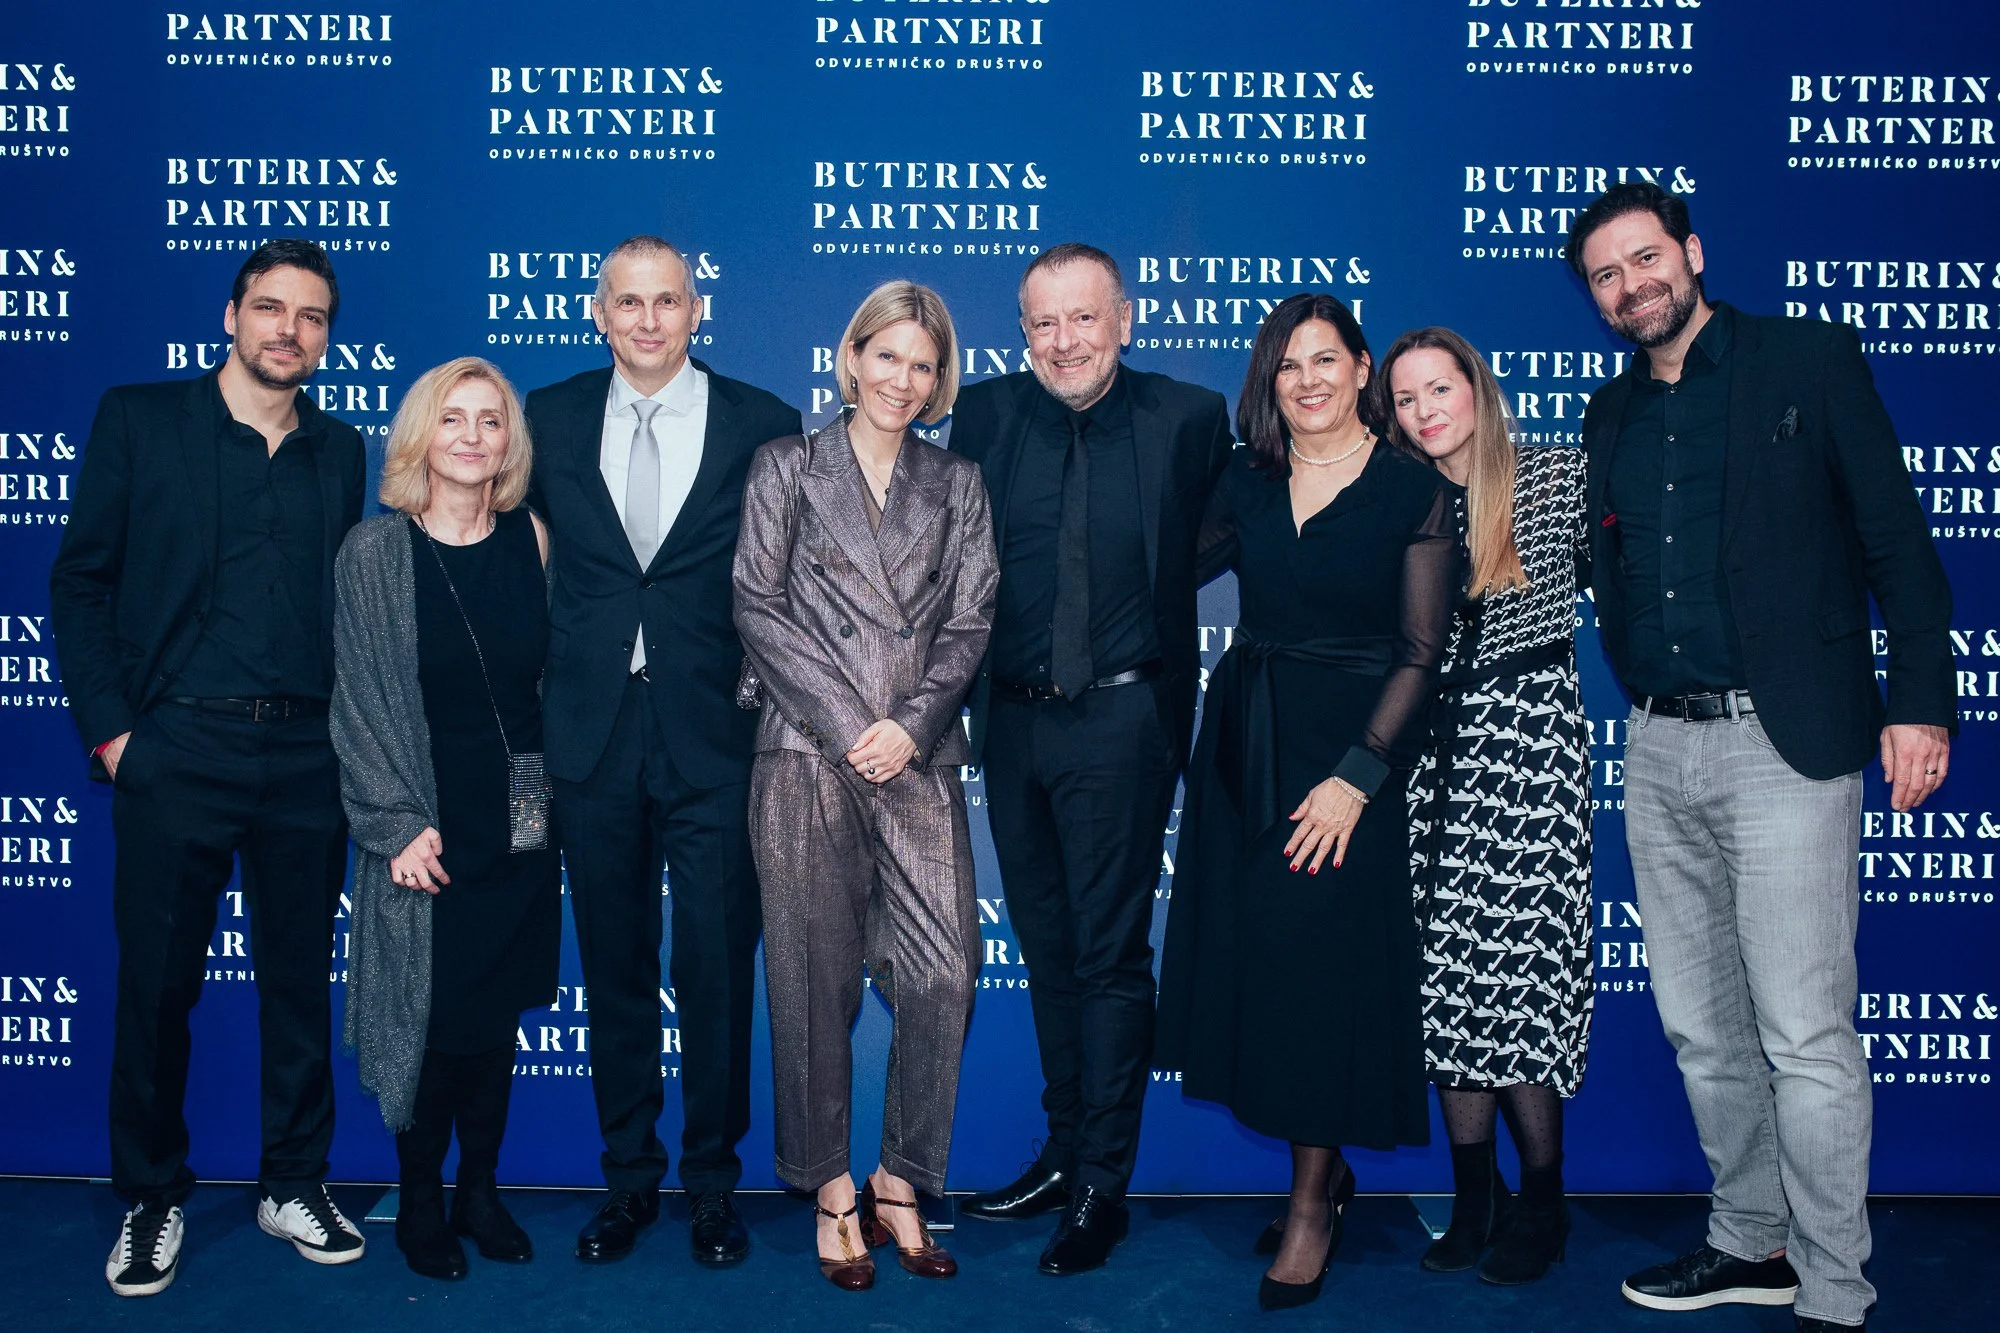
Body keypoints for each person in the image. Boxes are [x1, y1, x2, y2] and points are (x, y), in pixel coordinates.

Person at [1565, 182, 1953, 1333]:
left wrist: (1918, 704)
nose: (1630, 285)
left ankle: (1833, 1289)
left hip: (1786, 743)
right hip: (1657, 746)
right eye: (1604, 275)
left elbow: (1896, 542)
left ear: (1690, 252)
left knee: (1803, 1036)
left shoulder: (1805, 362)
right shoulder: (1607, 412)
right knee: (1703, 1029)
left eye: (1644, 258)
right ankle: (1749, 1241)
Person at [49, 239, 368, 1296]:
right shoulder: (140, 420)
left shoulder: (340, 449)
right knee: (155, 988)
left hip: (305, 754)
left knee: (298, 985)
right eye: (271, 308)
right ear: (231, 316)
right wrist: (115, 735)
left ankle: (293, 1181)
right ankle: (151, 1195)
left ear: (326, 336)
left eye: (311, 316)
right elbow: (81, 581)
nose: (290, 330)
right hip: (176, 746)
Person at [1156, 292, 1454, 1311]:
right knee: (1267, 969)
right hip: (1249, 744)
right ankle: (1320, 1174)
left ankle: (1310, 1206)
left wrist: (1356, 778)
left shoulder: (1410, 488)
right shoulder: (1248, 477)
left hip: (1350, 755)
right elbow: (1163, 566)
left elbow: (1421, 652)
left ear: (1363, 368)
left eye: (1325, 359)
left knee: (1322, 976)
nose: (1307, 380)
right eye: (1287, 366)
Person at [949, 243, 1233, 1276]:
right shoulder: (983, 416)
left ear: (1122, 319)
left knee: (1109, 958)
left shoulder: (1188, 418)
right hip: (1012, 725)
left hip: (1121, 719)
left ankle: (1103, 1185)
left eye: (1082, 318)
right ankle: (1063, 1150)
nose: (1063, 341)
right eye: (1042, 323)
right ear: (1022, 331)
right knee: (1050, 952)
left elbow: (1229, 533)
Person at [523, 235, 802, 1267]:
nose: (648, 320)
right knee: (614, 966)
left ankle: (714, 1185)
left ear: (697, 310)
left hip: (717, 732)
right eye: (628, 302)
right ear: (598, 313)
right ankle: (629, 1181)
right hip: (589, 733)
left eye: (668, 300)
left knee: (719, 966)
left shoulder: (763, 421)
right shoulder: (546, 416)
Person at [733, 281, 998, 1290]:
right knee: (810, 981)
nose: (903, 379)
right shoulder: (786, 467)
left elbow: (970, 618)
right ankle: (831, 1188)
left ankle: (900, 1176)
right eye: (886, 356)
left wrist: (909, 724)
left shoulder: (958, 482)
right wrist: (851, 725)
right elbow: (756, 603)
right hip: (807, 751)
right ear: (850, 359)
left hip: (917, 755)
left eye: (923, 364)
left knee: (945, 971)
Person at [330, 357, 559, 1280]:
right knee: (426, 1018)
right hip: (421, 822)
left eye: (490, 420)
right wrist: (392, 824)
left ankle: (481, 1191)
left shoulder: (532, 538)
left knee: (494, 1016)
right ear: (421, 435)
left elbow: (543, 690)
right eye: (453, 418)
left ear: (510, 443)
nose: (472, 436)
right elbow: (354, 702)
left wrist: (539, 817)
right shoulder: (374, 553)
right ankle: (421, 1199)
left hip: (519, 817)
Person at [1384, 326, 1594, 1285]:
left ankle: (1543, 1199)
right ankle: (1477, 1196)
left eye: (1441, 388)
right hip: (1433, 762)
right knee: (1447, 983)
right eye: (1406, 398)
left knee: (1522, 979)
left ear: (1478, 385)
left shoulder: (1554, 480)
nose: (1426, 410)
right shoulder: (1405, 500)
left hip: (1527, 761)